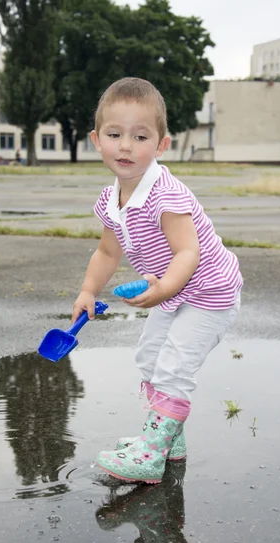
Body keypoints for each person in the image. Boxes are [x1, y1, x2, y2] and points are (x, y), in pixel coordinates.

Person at [71, 77, 242, 484]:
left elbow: (189, 252)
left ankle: (152, 454)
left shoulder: (166, 195)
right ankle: (170, 441)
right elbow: (108, 252)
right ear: (97, 140)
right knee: (149, 357)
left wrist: (164, 288)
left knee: (173, 367)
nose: (125, 146)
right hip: (172, 293)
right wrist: (87, 291)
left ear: (161, 145)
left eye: (140, 136)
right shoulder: (111, 199)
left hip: (209, 293)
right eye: (115, 134)